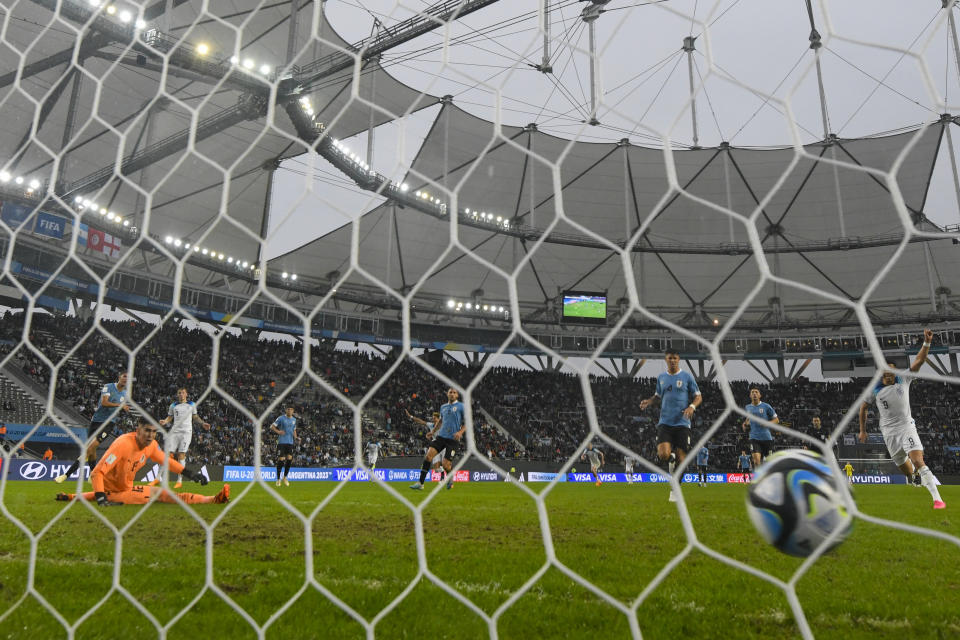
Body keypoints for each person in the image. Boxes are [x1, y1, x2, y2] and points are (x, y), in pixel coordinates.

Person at [859, 329, 945, 509]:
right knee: (905, 468)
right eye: (884, 373)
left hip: (907, 426)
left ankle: (937, 499)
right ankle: (912, 477)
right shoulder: (874, 390)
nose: (888, 374)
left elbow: (919, 361)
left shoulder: (903, 378)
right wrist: (862, 430)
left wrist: (926, 342)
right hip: (889, 433)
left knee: (918, 461)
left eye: (890, 371)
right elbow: (863, 408)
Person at [55, 418, 229, 505]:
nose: (151, 435)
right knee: (163, 495)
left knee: (161, 493)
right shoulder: (123, 444)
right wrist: (101, 498)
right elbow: (96, 473)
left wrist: (191, 473)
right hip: (117, 491)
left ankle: (70, 497)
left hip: (122, 489)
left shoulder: (151, 445)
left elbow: (166, 462)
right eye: (147, 431)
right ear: (137, 429)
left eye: (154, 432)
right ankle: (212, 500)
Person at [639, 348, 702, 502]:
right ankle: (670, 459)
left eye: (674, 358)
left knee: (682, 459)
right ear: (666, 359)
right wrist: (649, 401)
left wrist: (692, 407)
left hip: (682, 423)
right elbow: (657, 396)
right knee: (663, 455)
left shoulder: (686, 376)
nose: (672, 360)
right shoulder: (661, 377)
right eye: (669, 358)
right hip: (665, 422)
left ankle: (675, 489)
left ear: (678, 359)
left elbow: (698, 396)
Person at [56, 372, 129, 484]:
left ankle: (66, 475)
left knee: (91, 447)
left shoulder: (124, 393)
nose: (126, 379)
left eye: (128, 378)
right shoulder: (108, 386)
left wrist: (123, 409)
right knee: (92, 449)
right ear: (119, 377)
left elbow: (118, 408)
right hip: (96, 421)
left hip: (109, 423)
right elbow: (104, 403)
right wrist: (120, 406)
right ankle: (93, 474)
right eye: (124, 376)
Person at [409, 388, 465, 491]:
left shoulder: (461, 407)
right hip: (441, 437)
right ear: (447, 394)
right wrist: (433, 432)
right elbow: (440, 421)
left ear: (457, 395)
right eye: (450, 392)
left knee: (446, 465)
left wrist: (460, 432)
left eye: (454, 393)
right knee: (428, 457)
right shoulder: (443, 407)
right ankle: (420, 483)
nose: (452, 394)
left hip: (452, 440)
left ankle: (450, 478)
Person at [155, 388, 211, 488]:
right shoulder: (173, 405)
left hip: (186, 432)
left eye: (183, 393)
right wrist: (165, 421)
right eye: (179, 393)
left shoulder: (192, 404)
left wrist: (203, 423)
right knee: (167, 454)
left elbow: (195, 417)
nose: (181, 394)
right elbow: (170, 417)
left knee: (181, 455)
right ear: (177, 395)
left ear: (186, 394)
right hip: (174, 432)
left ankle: (179, 481)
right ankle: (157, 478)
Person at [742, 387, 778, 469]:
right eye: (752, 392)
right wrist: (744, 425)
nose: (754, 393)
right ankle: (759, 480)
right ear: (750, 395)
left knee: (769, 463)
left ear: (760, 395)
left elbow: (776, 420)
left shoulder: (766, 406)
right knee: (757, 462)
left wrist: (767, 423)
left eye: (756, 392)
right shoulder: (747, 407)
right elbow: (747, 420)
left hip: (767, 438)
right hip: (754, 438)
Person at [269, 406, 300, 487]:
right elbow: (272, 426)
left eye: (291, 409)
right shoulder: (281, 418)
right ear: (286, 410)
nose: (289, 410)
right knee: (281, 459)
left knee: (289, 459)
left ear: (293, 411)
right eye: (288, 409)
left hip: (290, 442)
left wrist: (296, 438)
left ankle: (285, 477)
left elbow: (294, 430)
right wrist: (278, 431)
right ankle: (278, 479)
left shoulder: (294, 420)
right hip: (282, 442)